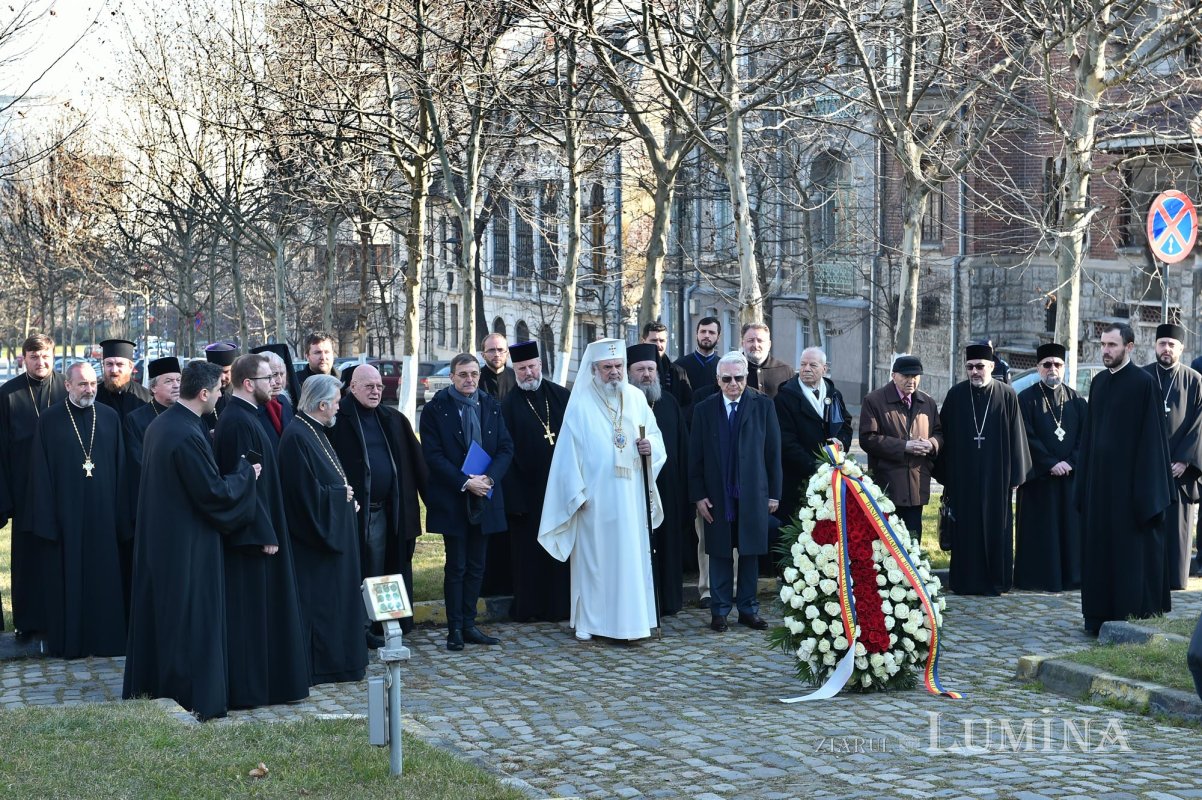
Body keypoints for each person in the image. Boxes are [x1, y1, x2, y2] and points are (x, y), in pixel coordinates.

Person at [123, 361, 260, 720]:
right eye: (218, 391)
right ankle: (193, 695)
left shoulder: (162, 424)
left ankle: (161, 688)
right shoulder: (185, 432)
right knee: (189, 620)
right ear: (203, 393)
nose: (219, 396)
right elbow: (213, 493)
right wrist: (247, 475)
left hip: (163, 540)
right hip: (186, 545)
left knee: (167, 619)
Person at [539, 339, 666, 642]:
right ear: (594, 369)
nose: (614, 372)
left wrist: (652, 448)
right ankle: (591, 623)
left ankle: (634, 623)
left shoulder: (636, 399)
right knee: (595, 564)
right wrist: (576, 493)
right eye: (607, 367)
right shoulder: (580, 404)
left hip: (631, 496)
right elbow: (566, 456)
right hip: (595, 501)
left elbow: (656, 438)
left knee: (631, 561)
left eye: (618, 366)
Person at [211, 354, 309, 709]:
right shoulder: (238, 422)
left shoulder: (247, 417)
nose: (275, 383)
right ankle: (254, 689)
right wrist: (263, 532)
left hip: (264, 530)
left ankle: (271, 685)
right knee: (253, 616)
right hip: (253, 541)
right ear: (249, 383)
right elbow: (243, 485)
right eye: (268, 378)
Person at [1078, 323, 1174, 635]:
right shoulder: (1099, 384)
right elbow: (1090, 436)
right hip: (1100, 488)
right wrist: (1085, 485)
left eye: (1112, 345)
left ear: (1129, 347)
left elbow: (1152, 443)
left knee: (1129, 553)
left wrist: (1145, 493)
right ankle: (1097, 617)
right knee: (1100, 553)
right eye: (1103, 344)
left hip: (1130, 490)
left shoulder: (1143, 384)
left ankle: (1129, 615)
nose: (1105, 351)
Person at [30, 361, 128, 657]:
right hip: (66, 516)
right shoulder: (49, 420)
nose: (89, 389)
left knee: (105, 578)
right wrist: (47, 519)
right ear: (68, 386)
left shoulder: (110, 417)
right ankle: (71, 643)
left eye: (93, 384)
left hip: (104, 514)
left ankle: (107, 641)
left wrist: (122, 516)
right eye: (82, 384)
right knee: (69, 578)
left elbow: (121, 468)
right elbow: (40, 472)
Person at [330, 362, 427, 646]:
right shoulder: (339, 420)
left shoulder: (392, 419)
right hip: (357, 512)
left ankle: (389, 625)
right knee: (365, 569)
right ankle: (363, 628)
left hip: (391, 509)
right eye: (369, 386)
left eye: (380, 386)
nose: (376, 392)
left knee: (390, 567)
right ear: (353, 387)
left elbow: (418, 465)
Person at [279, 374, 368, 683]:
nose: (338, 409)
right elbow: (302, 497)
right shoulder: (297, 436)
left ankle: (344, 662)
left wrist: (344, 501)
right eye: (336, 403)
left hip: (335, 531)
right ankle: (326, 665)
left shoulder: (312, 431)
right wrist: (338, 499)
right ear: (321, 404)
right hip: (316, 544)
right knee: (324, 608)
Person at [421, 353, 513, 651]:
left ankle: (471, 624)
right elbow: (433, 455)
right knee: (456, 565)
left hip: (484, 494)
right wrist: (465, 482)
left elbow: (504, 447)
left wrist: (488, 479)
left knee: (477, 565)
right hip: (454, 497)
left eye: (473, 373)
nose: (469, 379)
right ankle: (455, 628)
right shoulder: (436, 408)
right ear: (452, 376)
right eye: (463, 374)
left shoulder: (490, 404)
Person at [689, 351, 781, 632]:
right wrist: (698, 495)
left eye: (738, 378)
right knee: (718, 553)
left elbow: (773, 453)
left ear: (746, 378)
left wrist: (774, 494)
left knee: (751, 553)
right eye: (727, 379)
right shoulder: (704, 409)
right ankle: (719, 610)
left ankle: (748, 609)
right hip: (717, 495)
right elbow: (695, 457)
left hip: (753, 492)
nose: (733, 384)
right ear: (718, 380)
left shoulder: (762, 406)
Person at [936, 343, 1031, 595]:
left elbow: (1017, 435)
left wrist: (1016, 474)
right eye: (970, 367)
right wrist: (947, 475)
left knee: (996, 526)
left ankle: (997, 581)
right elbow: (943, 435)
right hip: (963, 476)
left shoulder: (1007, 394)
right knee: (965, 529)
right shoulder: (956, 395)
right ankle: (964, 582)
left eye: (980, 366)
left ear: (991, 366)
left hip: (997, 476)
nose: (975, 372)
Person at [499, 340, 571, 622]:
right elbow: (505, 454)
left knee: (562, 550)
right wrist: (516, 499)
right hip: (528, 495)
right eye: (521, 369)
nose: (528, 373)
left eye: (531, 366)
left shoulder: (562, 397)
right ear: (514, 370)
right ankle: (532, 608)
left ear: (540, 365)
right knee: (529, 555)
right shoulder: (507, 406)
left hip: (563, 490)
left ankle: (562, 606)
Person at [0, 333, 65, 637]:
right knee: (26, 559)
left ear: (54, 356)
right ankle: (27, 622)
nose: (41, 362)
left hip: (62, 489)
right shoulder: (8, 395)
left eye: (46, 356)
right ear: (23, 359)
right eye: (34, 357)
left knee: (59, 554)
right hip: (25, 490)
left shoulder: (67, 388)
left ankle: (61, 617)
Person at [1014, 344, 1087, 592]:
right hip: (1039, 481)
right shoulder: (1025, 399)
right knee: (1042, 532)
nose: (1052, 369)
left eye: (1057, 364)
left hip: (1070, 479)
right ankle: (1039, 578)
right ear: (1038, 368)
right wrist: (1050, 464)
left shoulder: (1077, 400)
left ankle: (1072, 577)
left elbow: (1085, 438)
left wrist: (1071, 462)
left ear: (1064, 367)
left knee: (1070, 531)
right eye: (1047, 364)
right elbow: (1026, 437)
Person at [628, 342, 689, 617]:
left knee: (668, 545)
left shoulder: (670, 403)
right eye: (640, 369)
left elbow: (683, 448)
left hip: (668, 488)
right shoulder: (623, 407)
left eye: (651, 369)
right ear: (630, 373)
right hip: (633, 489)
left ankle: (669, 601)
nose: (647, 375)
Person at [1144, 323, 1202, 590]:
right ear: (1155, 346)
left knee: (1177, 529)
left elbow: (1200, 423)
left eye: (1171, 344)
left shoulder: (1195, 380)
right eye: (1162, 343)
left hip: (1179, 471)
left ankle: (1176, 580)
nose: (1166, 349)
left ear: (1181, 348)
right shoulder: (1142, 377)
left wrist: (1184, 460)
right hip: (1147, 468)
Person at [858, 355, 941, 539]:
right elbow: (867, 438)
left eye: (915, 376)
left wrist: (931, 444)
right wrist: (904, 446)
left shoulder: (927, 403)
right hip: (886, 486)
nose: (911, 381)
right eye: (905, 376)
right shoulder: (874, 401)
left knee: (913, 543)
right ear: (893, 375)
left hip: (916, 487)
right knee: (885, 547)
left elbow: (939, 433)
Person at [774, 346, 852, 524]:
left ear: (825, 369)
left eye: (813, 365)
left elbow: (845, 426)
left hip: (831, 475)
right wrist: (814, 466)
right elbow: (786, 441)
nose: (806, 369)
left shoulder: (834, 394)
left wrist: (842, 444)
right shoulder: (785, 398)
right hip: (797, 478)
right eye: (803, 364)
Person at [124, 356, 182, 506]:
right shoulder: (135, 420)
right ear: (153, 387)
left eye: (179, 380)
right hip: (154, 497)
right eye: (169, 381)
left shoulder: (191, 415)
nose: (176, 385)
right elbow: (138, 463)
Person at [249, 344, 297, 449]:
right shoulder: (249, 407)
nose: (279, 381)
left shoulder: (284, 401)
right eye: (274, 375)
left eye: (282, 374)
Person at [95, 338, 151, 423]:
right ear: (104, 365)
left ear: (130, 367)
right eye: (109, 364)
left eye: (119, 364)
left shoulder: (145, 398)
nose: (114, 370)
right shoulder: (93, 397)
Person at [641, 322, 692, 409]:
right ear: (643, 341)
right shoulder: (631, 370)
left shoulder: (678, 372)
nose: (658, 345)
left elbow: (688, 405)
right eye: (653, 341)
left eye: (662, 341)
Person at [674, 316, 722, 406]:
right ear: (696, 335)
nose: (706, 335)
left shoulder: (723, 367)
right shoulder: (679, 366)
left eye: (711, 332)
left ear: (718, 337)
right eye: (703, 331)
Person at [738, 323, 792, 399]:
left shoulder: (785, 371)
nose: (756, 345)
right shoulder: (732, 371)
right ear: (743, 344)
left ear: (769, 345)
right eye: (751, 340)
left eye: (760, 341)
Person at [202, 341, 239, 431]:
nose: (222, 377)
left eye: (226, 372)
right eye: (218, 372)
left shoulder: (241, 392)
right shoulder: (203, 395)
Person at [480, 333, 516, 401]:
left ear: (507, 354)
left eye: (500, 350)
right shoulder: (475, 378)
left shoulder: (516, 377)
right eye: (491, 350)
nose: (496, 354)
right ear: (483, 355)